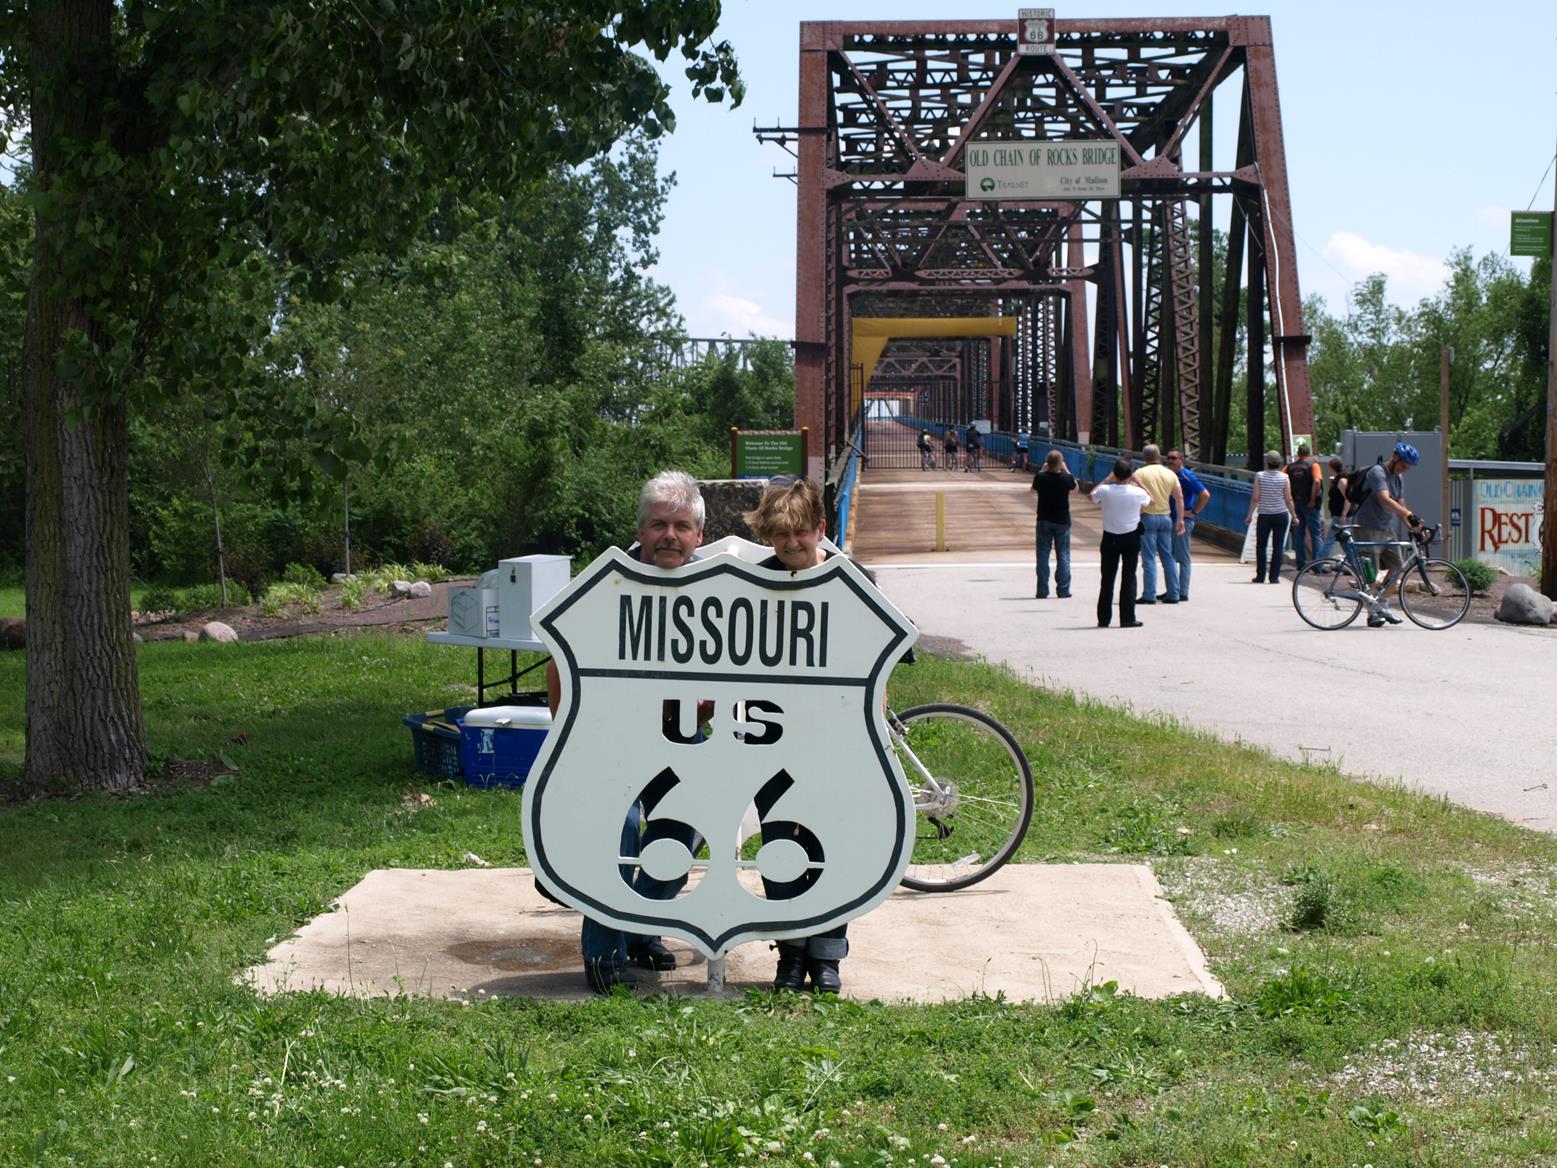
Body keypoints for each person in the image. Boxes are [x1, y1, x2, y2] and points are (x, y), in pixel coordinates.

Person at [544, 470, 707, 993]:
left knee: (685, 824)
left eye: (682, 526)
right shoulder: (605, 583)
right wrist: (566, 738)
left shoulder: (718, 590)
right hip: (609, 737)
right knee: (619, 833)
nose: (670, 536)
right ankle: (603, 950)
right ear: (640, 529)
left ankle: (643, 928)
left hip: (683, 736)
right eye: (659, 524)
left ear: (698, 535)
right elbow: (557, 663)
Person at [743, 476, 852, 994]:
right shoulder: (750, 583)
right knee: (782, 844)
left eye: (801, 533)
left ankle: (827, 955)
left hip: (834, 740)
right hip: (769, 738)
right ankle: (790, 953)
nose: (791, 544)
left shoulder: (854, 582)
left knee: (830, 845)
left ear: (820, 530)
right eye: (780, 535)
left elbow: (887, 656)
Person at [1349, 441, 1425, 627]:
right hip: (1366, 527)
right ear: (1395, 458)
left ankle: (1382, 604)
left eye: (1408, 468)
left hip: (1386, 528)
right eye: (1404, 466)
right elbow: (1384, 499)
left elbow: (1401, 505)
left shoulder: (1398, 478)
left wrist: (1413, 526)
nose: (1405, 470)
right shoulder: (1377, 472)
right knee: (1371, 574)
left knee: (1397, 565)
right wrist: (1408, 515)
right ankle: (1373, 614)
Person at [1090, 457, 1152, 628]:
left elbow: (1092, 496)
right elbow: (1151, 500)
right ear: (1130, 474)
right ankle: (1127, 618)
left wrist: (1106, 479)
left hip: (1110, 537)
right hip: (1131, 537)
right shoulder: (1137, 493)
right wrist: (1138, 483)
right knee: (1128, 578)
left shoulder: (1105, 490)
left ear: (1115, 474)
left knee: (1107, 579)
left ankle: (1103, 618)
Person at [1132, 444, 1183, 605]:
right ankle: (1174, 593)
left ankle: (1149, 594)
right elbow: (1179, 498)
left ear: (1144, 457)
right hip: (1166, 517)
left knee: (1148, 558)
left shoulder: (1139, 474)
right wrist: (1180, 519)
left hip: (1148, 517)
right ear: (1159, 455)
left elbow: (1134, 497)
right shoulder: (1170, 474)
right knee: (1168, 557)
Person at [1245, 450, 1297, 584]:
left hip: (1265, 516)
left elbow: (1256, 498)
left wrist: (1250, 515)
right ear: (1279, 463)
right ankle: (1274, 577)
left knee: (1261, 546)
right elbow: (1288, 498)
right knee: (1278, 547)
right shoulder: (1284, 477)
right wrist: (1294, 516)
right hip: (1281, 515)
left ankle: (1260, 576)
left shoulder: (1260, 476)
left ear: (1267, 462)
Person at [1165, 449, 1210, 603]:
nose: (1170, 461)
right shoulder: (1169, 475)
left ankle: (1182, 591)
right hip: (1170, 519)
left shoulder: (1187, 476)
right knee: (1169, 556)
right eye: (1168, 458)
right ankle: (1173, 590)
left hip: (1183, 521)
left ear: (1181, 460)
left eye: (1174, 458)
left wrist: (1194, 512)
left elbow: (1205, 494)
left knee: (1183, 557)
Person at [1030, 450, 1076, 599]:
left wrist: (1043, 470)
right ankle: (1063, 589)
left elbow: (1031, 491)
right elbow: (1076, 489)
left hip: (1044, 519)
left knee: (1043, 554)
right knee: (1063, 554)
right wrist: (1066, 469)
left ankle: (1042, 590)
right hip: (1062, 520)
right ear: (1060, 463)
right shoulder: (1065, 479)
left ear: (1047, 462)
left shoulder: (1041, 477)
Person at [1285, 442, 1323, 573]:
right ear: (1309, 454)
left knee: (1299, 533)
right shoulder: (1314, 465)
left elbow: (1281, 478)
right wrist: (1313, 499)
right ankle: (1318, 565)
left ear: (1298, 454)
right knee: (1316, 534)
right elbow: (1317, 481)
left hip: (1296, 503)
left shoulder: (1289, 467)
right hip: (1310, 504)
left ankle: (1300, 563)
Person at [1318, 455, 1348, 562]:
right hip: (1337, 514)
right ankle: (1354, 564)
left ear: (1332, 468)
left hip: (1341, 516)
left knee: (1329, 539)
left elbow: (1348, 499)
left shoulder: (1341, 481)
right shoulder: (1337, 480)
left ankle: (1319, 563)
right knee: (1345, 542)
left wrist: (1344, 514)